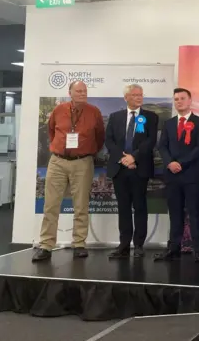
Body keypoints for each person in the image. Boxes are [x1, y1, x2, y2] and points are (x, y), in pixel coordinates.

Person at [32, 80, 105, 262]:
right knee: (51, 205)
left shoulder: (94, 111)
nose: (82, 94)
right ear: (70, 92)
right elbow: (51, 131)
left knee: (81, 205)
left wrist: (85, 151)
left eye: (84, 91)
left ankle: (79, 244)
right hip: (57, 161)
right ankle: (46, 245)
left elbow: (100, 137)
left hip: (82, 162)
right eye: (78, 91)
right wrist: (61, 148)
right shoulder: (59, 110)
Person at [155, 87, 199, 263]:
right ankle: (173, 248)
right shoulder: (169, 124)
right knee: (175, 213)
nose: (179, 101)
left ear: (190, 100)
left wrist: (181, 163)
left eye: (182, 98)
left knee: (194, 213)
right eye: (176, 99)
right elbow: (162, 146)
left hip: (192, 175)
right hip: (172, 176)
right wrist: (170, 162)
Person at [105, 84, 158, 259]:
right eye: (135, 95)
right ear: (126, 97)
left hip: (139, 168)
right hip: (119, 169)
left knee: (140, 207)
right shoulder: (115, 117)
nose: (138, 97)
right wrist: (123, 158)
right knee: (124, 208)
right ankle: (124, 245)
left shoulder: (150, 117)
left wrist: (133, 157)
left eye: (140, 95)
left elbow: (149, 142)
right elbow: (109, 140)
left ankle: (139, 245)